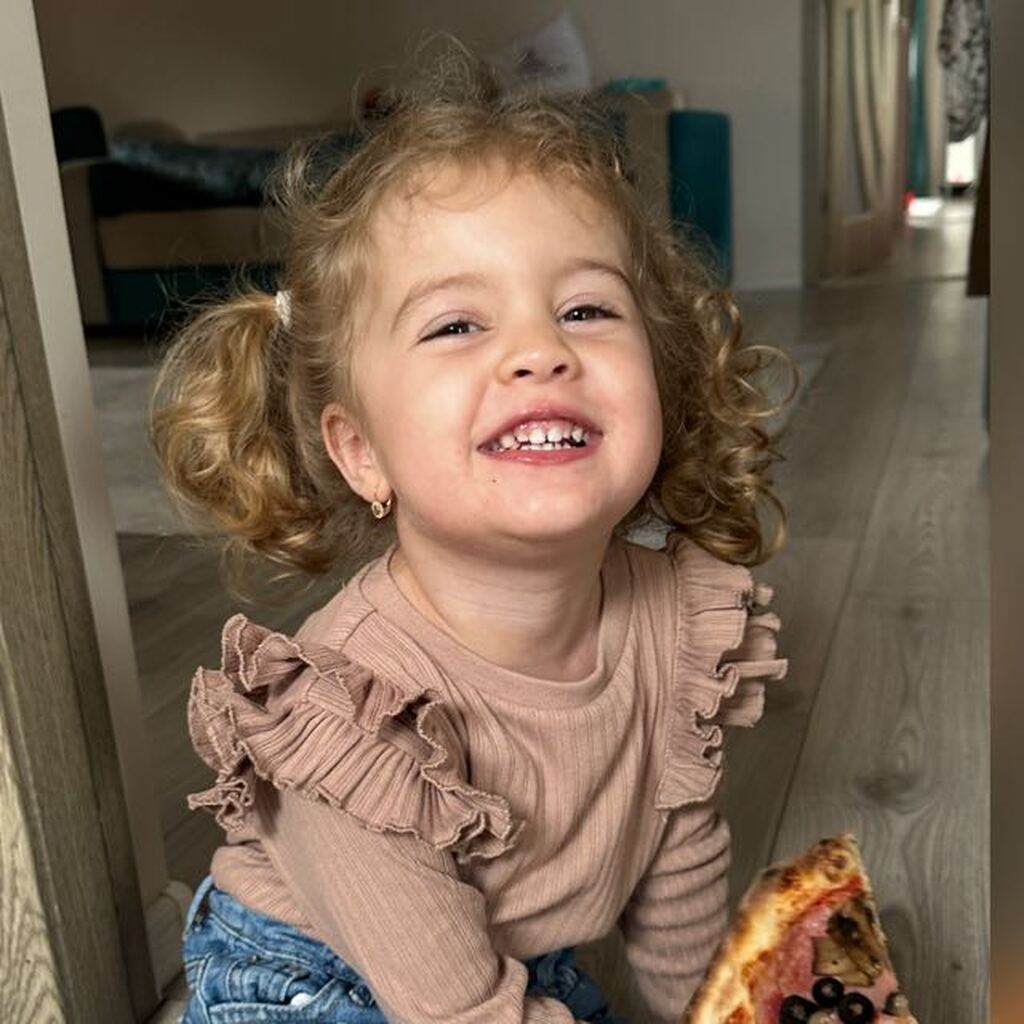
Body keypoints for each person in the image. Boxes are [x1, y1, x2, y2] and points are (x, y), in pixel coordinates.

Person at [151, 56, 791, 1024]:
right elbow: (458, 1008)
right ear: (362, 453)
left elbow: (680, 864)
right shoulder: (354, 714)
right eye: (456, 325)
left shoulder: (679, 626)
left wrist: (717, 1011)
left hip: (506, 956)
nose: (540, 350)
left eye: (585, 309)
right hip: (309, 984)